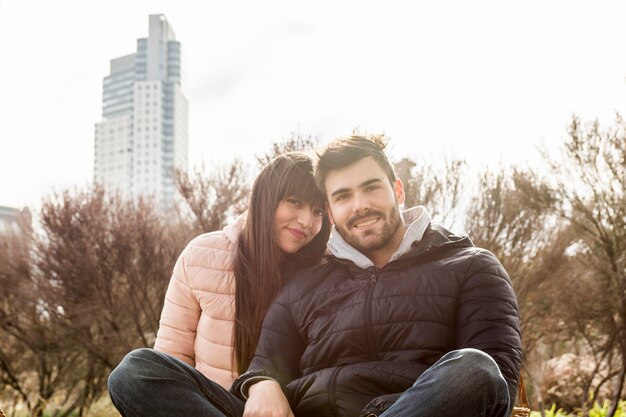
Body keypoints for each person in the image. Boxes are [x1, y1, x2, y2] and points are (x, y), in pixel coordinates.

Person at [108, 152, 331, 415]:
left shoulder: (328, 273)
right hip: (213, 407)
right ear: (267, 198)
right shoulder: (202, 255)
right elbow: (173, 357)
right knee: (134, 371)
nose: (306, 221)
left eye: (318, 211)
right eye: (295, 202)